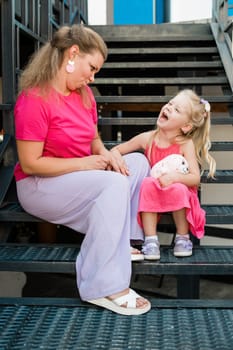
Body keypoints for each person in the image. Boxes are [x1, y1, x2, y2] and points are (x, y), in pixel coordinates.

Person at [13, 24, 151, 315]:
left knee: (136, 163)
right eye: (92, 68)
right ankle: (103, 287)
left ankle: (121, 241)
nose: (92, 76)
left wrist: (107, 155)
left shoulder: (85, 96)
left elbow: (94, 141)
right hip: (40, 184)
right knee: (113, 185)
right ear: (72, 54)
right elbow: (30, 163)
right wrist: (88, 163)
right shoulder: (34, 99)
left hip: (80, 177)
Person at [111, 89, 216, 260]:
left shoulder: (185, 144)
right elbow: (117, 150)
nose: (168, 108)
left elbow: (195, 177)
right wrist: (116, 158)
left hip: (177, 189)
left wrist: (175, 178)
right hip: (155, 189)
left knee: (180, 189)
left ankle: (182, 237)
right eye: (170, 103)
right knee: (146, 184)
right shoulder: (148, 139)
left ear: (186, 126)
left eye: (176, 110)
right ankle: (151, 240)